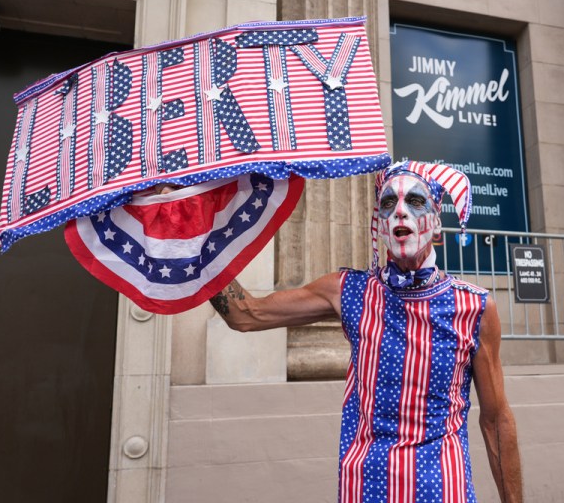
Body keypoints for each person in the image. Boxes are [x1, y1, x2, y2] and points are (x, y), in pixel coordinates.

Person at [209, 161, 523, 502]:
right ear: (381, 227)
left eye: (415, 202)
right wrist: (191, 244)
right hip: (366, 489)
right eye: (388, 204)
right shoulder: (349, 291)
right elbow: (245, 314)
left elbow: (495, 422)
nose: (400, 212)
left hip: (441, 490)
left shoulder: (473, 308)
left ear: (436, 227)